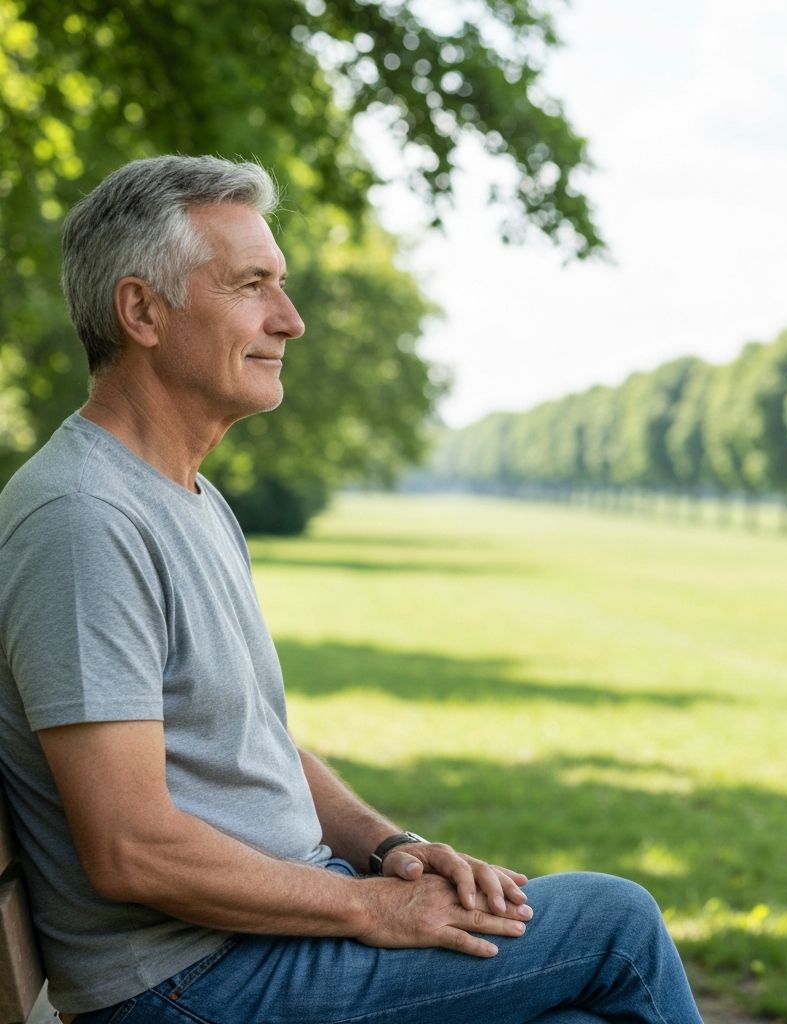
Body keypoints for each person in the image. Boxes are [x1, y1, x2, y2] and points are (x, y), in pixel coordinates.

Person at [0, 155, 705, 1024]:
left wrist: (389, 850)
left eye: (281, 285)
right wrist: (372, 909)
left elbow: (247, 741)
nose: (289, 320)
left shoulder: (184, 494)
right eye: (252, 285)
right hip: (187, 984)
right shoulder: (84, 520)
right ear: (142, 310)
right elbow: (131, 848)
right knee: (615, 925)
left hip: (262, 941)